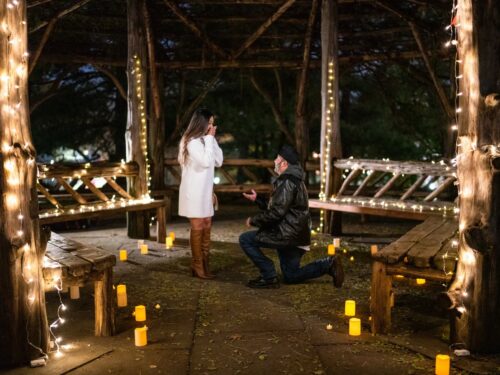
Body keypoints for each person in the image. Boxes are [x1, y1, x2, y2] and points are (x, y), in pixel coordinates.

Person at [239, 144, 344, 289]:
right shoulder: (294, 179)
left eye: (277, 158)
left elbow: (277, 213)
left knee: (245, 239)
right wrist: (258, 200)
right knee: (291, 276)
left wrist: (254, 220)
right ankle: (328, 264)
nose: (274, 161)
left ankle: (268, 275)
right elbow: (282, 207)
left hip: (287, 236)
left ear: (284, 163)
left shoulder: (287, 181)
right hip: (295, 235)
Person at [178, 108, 223, 279]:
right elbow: (205, 162)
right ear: (201, 123)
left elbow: (218, 161)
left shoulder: (206, 140)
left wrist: (212, 140)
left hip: (206, 191)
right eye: (209, 123)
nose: (212, 126)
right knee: (198, 226)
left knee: (207, 224)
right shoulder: (190, 142)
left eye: (212, 123)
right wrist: (210, 139)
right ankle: (197, 265)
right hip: (193, 191)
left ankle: (204, 263)